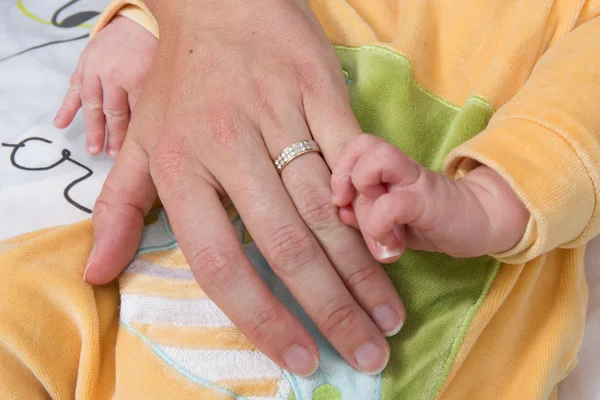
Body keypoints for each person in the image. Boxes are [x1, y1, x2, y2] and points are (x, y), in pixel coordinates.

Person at [1, 0, 599, 398]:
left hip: (413, 315)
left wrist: (495, 199)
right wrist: (141, 24)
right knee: (24, 311)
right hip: (153, 261)